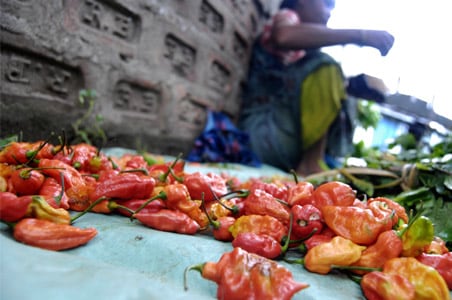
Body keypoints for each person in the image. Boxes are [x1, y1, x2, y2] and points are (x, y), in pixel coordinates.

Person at [238, 0, 394, 175]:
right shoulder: (288, 17)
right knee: (325, 65)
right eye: (326, 4)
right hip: (264, 136)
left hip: (283, 139)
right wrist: (360, 35)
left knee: (338, 82)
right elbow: (283, 36)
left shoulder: (302, 53)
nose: (329, 13)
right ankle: (311, 164)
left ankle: (315, 161)